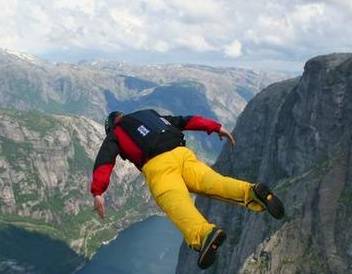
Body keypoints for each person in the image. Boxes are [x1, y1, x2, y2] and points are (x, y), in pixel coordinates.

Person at [90, 109, 285, 269]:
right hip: (182, 153)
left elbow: (104, 161)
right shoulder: (150, 114)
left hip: (159, 165)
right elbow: (185, 120)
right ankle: (252, 192)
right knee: (214, 182)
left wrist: (98, 192)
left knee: (175, 201)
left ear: (111, 126)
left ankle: (204, 234)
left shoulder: (115, 134)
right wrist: (216, 127)